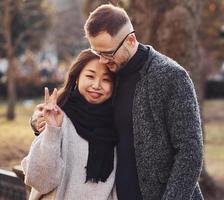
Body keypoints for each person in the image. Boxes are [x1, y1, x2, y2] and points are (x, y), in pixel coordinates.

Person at [31, 4, 204, 200]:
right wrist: (38, 120)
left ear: (130, 40)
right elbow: (76, 105)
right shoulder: (112, 75)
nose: (102, 61)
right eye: (97, 53)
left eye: (107, 53)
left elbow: (190, 151)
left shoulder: (171, 76)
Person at [22, 49, 118, 200]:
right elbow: (40, 182)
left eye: (107, 80)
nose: (97, 85)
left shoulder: (119, 124)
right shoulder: (59, 116)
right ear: (77, 78)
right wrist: (52, 131)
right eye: (90, 76)